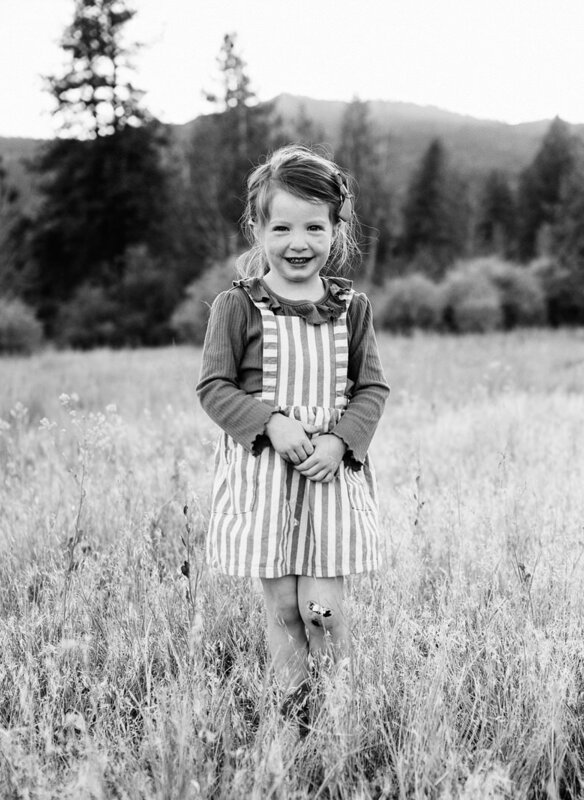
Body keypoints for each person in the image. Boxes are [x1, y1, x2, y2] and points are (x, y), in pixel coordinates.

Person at [196, 144, 388, 724]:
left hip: (328, 474)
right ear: (257, 229)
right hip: (263, 475)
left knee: (321, 609)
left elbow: (372, 389)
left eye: (314, 225)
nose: (297, 241)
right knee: (283, 606)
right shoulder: (236, 306)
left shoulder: (351, 307)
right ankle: (293, 712)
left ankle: (337, 715)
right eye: (280, 226)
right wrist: (270, 422)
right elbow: (213, 387)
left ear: (337, 229)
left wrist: (339, 442)